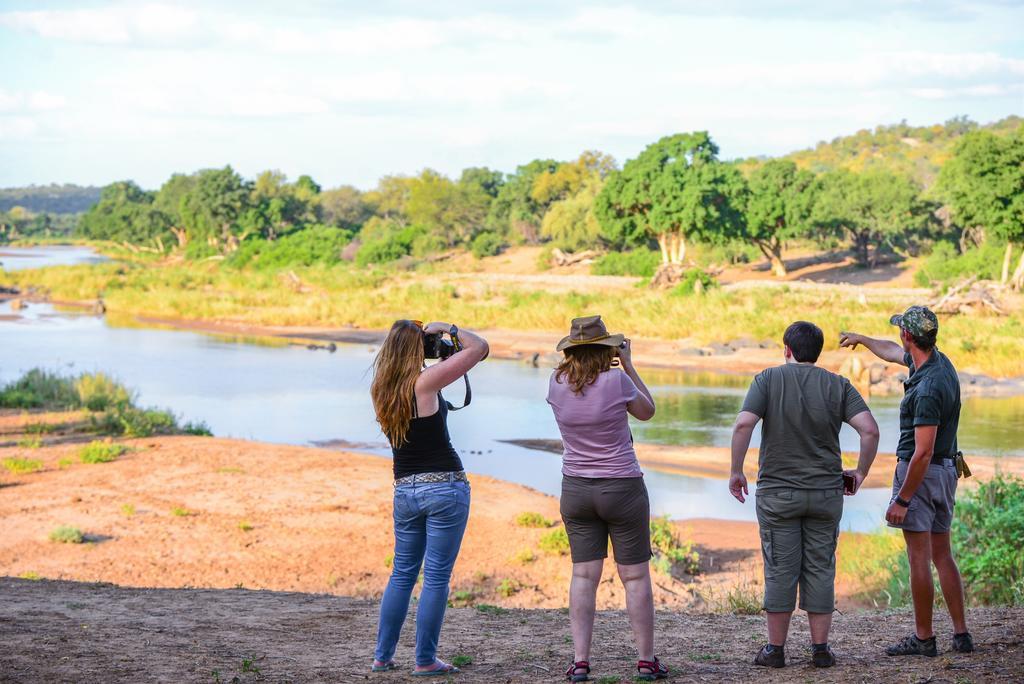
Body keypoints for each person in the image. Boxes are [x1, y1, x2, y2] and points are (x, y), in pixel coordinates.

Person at [729, 321, 880, 669]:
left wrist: (736, 471)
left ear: (786, 350)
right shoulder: (838, 385)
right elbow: (869, 430)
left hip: (778, 495)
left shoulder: (767, 380)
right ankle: (821, 650)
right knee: (820, 567)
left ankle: (775, 651)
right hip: (826, 494)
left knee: (781, 568)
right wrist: (860, 472)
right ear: (818, 352)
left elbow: (742, 425)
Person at [840, 306, 974, 657]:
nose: (899, 335)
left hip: (924, 475)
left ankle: (924, 638)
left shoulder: (927, 388)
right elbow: (891, 351)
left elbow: (922, 452)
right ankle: (961, 635)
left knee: (919, 558)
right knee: (943, 554)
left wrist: (902, 499)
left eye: (901, 329)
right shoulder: (937, 361)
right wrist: (862, 339)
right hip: (946, 474)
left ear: (909, 336)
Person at [546, 315, 670, 682]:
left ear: (569, 351)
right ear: (608, 348)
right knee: (634, 577)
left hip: (577, 487)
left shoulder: (555, 383)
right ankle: (645, 660)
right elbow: (647, 411)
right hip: (621, 487)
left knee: (584, 575)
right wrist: (629, 364)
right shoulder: (617, 380)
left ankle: (580, 661)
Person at [369, 319, 489, 676]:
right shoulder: (425, 382)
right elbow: (479, 348)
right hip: (444, 486)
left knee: (402, 575)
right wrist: (449, 328)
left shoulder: (381, 389)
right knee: (435, 577)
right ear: (417, 349)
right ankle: (424, 660)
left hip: (404, 490)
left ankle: (382, 656)